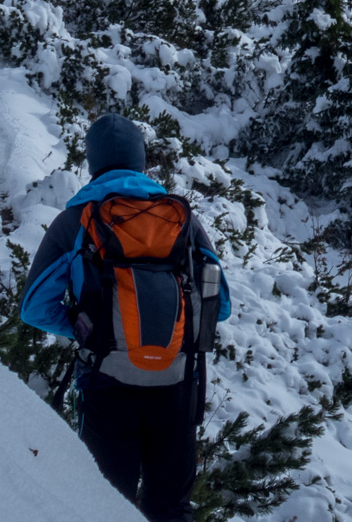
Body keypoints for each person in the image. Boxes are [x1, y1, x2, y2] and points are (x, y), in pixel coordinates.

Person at [21, 113, 232, 522]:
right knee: (171, 509)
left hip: (106, 386)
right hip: (176, 386)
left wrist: (88, 330)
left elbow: (34, 308)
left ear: (93, 163)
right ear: (141, 162)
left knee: (103, 505)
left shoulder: (76, 220)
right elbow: (218, 304)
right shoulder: (181, 221)